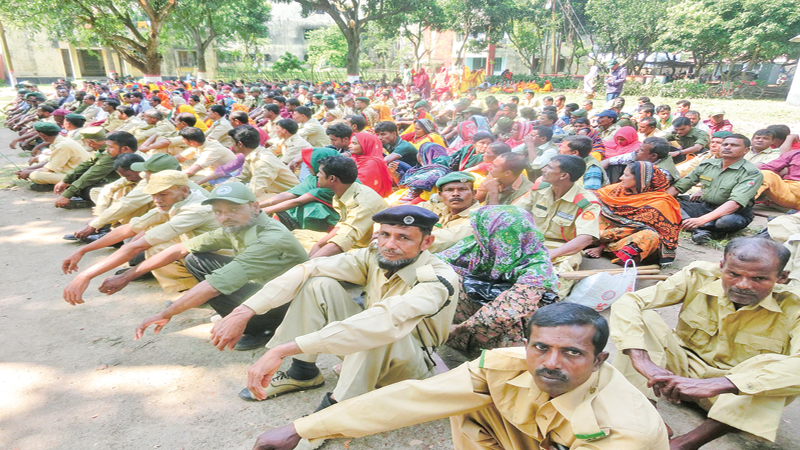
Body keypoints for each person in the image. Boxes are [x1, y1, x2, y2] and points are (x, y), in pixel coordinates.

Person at [250, 302, 669, 450]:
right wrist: (300, 428)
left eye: (572, 353)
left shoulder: (622, 432)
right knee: (465, 404)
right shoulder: (505, 366)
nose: (550, 363)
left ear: (599, 360)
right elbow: (413, 398)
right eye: (540, 347)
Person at [210, 206, 458, 421]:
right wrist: (244, 311)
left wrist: (283, 349)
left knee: (377, 328)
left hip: (409, 365)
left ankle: (334, 413)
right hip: (369, 345)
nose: (390, 245)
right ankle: (303, 372)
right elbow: (310, 268)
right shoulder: (375, 256)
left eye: (403, 237)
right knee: (317, 283)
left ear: (426, 242)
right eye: (384, 234)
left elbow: (384, 320)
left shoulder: (437, 279)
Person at [610, 237, 800, 449]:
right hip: (676, 376)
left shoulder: (795, 305)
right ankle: (649, 416)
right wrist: (643, 362)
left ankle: (688, 442)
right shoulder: (698, 276)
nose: (743, 285)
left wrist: (718, 384)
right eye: (733, 274)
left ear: (781, 278)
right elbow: (629, 302)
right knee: (642, 319)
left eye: (759, 279)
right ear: (721, 267)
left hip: (732, 395)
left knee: (778, 370)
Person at [121, 182, 310, 350]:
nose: (225, 216)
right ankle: (243, 315)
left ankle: (265, 328)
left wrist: (165, 314)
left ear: (255, 207)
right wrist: (127, 276)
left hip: (292, 302)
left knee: (216, 287)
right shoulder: (238, 225)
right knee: (195, 259)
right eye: (218, 212)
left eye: (233, 209)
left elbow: (214, 285)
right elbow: (180, 249)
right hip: (269, 286)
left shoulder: (270, 238)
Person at [61, 171, 220, 303]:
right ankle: (194, 290)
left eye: (163, 194)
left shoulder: (195, 209)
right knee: (156, 248)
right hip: (206, 251)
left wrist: (86, 275)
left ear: (184, 190)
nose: (157, 200)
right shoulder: (176, 201)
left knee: (159, 249)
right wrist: (83, 250)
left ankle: (210, 291)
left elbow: (138, 245)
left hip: (225, 258)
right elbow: (130, 228)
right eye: (154, 195)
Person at [441, 205, 558, 354]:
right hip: (482, 309)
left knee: (514, 316)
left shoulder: (537, 266)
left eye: (480, 230)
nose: (476, 233)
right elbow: (439, 264)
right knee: (447, 280)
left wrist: (460, 328)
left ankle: (499, 358)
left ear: (496, 235)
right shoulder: (479, 247)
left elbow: (508, 309)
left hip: (510, 324)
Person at [516, 155, 601, 296]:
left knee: (559, 274)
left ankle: (548, 304)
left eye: (549, 167)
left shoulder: (587, 202)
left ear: (563, 176)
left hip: (563, 249)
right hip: (531, 241)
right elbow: (515, 213)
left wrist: (550, 255)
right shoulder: (539, 190)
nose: (543, 169)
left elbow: (585, 239)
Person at [667, 134, 762, 244]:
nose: (727, 147)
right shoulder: (707, 164)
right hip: (704, 206)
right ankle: (699, 229)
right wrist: (661, 199)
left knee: (725, 222)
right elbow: (679, 186)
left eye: (734, 145)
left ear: (746, 150)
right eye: (725, 144)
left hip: (732, 213)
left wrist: (701, 220)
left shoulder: (751, 173)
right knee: (669, 203)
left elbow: (735, 203)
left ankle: (701, 226)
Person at [587, 161, 681, 266]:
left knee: (649, 236)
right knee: (591, 214)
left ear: (639, 179)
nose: (621, 178)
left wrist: (608, 236)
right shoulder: (618, 189)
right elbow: (590, 199)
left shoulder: (661, 202)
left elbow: (660, 233)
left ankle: (605, 248)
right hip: (608, 232)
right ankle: (595, 242)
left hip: (627, 237)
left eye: (626, 175)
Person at [291, 155, 387, 257]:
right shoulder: (345, 191)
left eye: (320, 172)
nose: (317, 175)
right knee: (296, 235)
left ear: (332, 178)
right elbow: (342, 225)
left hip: (365, 248)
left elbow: (343, 240)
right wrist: (319, 245)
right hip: (351, 241)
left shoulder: (363, 204)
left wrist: (308, 265)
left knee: (326, 254)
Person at [261, 147, 340, 233]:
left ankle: (312, 233)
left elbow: (297, 201)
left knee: (313, 209)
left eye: (309, 164)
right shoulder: (313, 178)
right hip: (305, 202)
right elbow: (290, 194)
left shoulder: (335, 183)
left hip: (337, 217)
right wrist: (259, 205)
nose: (307, 167)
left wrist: (261, 210)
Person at [52, 128, 130, 208]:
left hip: (115, 184)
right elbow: (85, 165)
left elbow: (92, 174)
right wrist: (66, 180)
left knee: (86, 190)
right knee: (72, 185)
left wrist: (67, 195)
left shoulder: (110, 153)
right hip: (106, 181)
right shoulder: (102, 150)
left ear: (90, 142)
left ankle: (96, 203)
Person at [228, 125, 299, 201]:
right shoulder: (253, 155)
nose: (232, 145)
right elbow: (242, 177)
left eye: (232, 142)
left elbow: (253, 191)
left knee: (239, 202)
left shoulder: (263, 162)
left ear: (240, 144)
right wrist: (223, 187)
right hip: (273, 193)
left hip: (289, 197)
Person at [417, 172, 481, 253]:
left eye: (462, 189)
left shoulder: (479, 215)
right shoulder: (435, 206)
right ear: (440, 194)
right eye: (449, 190)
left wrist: (410, 242)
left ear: (473, 193)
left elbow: (453, 237)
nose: (455, 194)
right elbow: (407, 212)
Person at [16, 122, 91, 189]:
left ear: (42, 135)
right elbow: (50, 162)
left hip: (79, 176)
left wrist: (29, 172)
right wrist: (27, 169)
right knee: (35, 171)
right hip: (73, 171)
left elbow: (49, 169)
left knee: (35, 175)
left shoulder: (62, 146)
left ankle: (66, 184)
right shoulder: (62, 140)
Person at [602, 136, 678, 184]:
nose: (637, 150)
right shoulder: (639, 153)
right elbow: (610, 160)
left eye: (641, 150)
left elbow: (645, 190)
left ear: (653, 156)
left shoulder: (663, 173)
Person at [348, 132, 393, 197]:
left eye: (354, 143)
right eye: (350, 143)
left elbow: (360, 184)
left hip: (367, 198)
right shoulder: (355, 159)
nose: (349, 146)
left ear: (366, 145)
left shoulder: (372, 163)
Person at [757, 143, 800, 209]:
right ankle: (739, 202)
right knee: (766, 174)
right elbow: (769, 167)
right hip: (789, 192)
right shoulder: (795, 153)